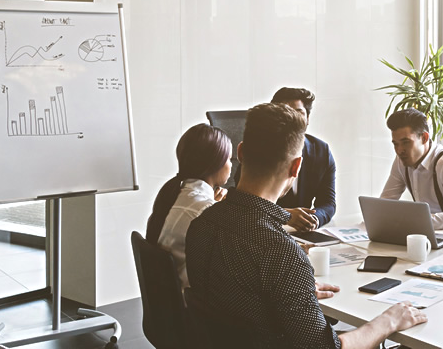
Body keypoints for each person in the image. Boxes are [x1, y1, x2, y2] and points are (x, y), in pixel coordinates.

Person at [186, 103, 426, 348]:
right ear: (296, 167)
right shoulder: (279, 251)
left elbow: (239, 296)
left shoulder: (201, 225)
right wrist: (388, 321)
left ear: (241, 152)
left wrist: (289, 290)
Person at [144, 123, 231, 289]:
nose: (231, 164)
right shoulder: (203, 210)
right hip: (193, 305)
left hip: (171, 302)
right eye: (228, 159)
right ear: (215, 162)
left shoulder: (175, 193)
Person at [380, 108, 443, 229]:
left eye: (406, 142)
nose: (399, 150)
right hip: (428, 232)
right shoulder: (401, 161)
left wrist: (413, 220)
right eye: (395, 144)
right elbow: (384, 205)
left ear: (424, 138)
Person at [270, 87, 337, 231]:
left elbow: (328, 203)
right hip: (265, 229)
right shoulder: (259, 148)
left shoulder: (321, 151)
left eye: (299, 113)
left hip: (302, 232)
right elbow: (247, 201)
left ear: (307, 119)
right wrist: (286, 215)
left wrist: (314, 218)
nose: (293, 119)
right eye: (286, 113)